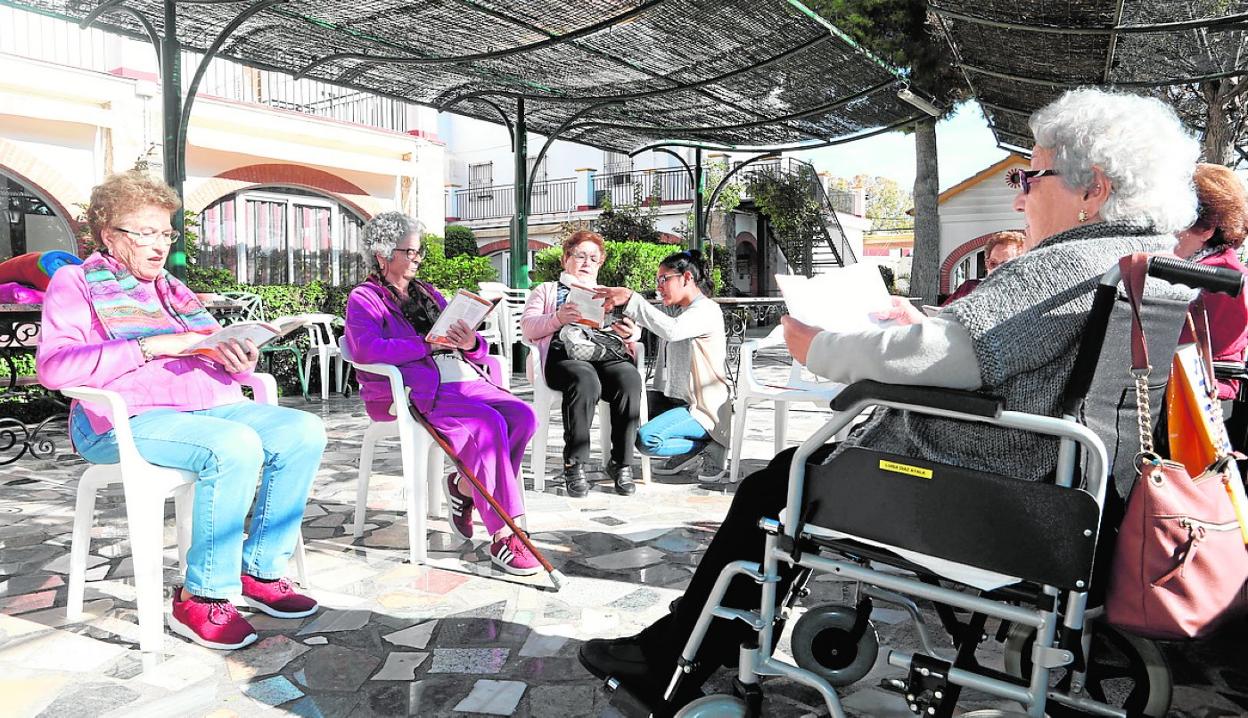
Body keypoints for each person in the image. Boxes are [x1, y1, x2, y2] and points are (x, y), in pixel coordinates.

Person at [578, 88, 1201, 714]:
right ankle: (704, 636)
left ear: (1091, 187)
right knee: (796, 475)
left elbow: (950, 358)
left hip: (979, 489)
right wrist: (925, 318)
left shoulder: (1064, 261)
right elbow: (1003, 342)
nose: (1017, 194)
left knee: (777, 485)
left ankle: (668, 659)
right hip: (1052, 489)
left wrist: (816, 345)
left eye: (1029, 176)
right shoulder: (1138, 261)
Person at [37, 171, 326, 651]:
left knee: (303, 430)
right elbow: (55, 368)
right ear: (110, 235)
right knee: (234, 446)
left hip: (209, 407)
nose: (159, 246)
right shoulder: (76, 282)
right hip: (123, 421)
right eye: (145, 233)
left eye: (166, 233)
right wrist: (152, 346)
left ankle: (261, 570)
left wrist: (237, 357)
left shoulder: (172, 289)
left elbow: (207, 345)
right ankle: (201, 597)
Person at [343, 212, 539, 575]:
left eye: (419, 253)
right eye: (411, 252)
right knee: (487, 425)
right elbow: (366, 349)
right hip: (417, 390)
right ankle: (506, 534)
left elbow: (470, 344)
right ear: (383, 255)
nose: (418, 259)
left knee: (522, 416)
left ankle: (465, 487)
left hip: (464, 378)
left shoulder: (428, 293)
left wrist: (471, 341)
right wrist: (424, 344)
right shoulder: (364, 298)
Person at [520, 231, 643, 497]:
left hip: (603, 353)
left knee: (630, 379)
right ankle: (575, 463)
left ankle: (621, 463)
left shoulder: (609, 294)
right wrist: (557, 318)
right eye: (580, 256)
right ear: (566, 260)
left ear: (600, 264)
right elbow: (528, 329)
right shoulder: (547, 291)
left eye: (593, 258)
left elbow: (635, 332)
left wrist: (629, 332)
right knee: (585, 379)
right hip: (563, 357)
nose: (587, 263)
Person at [594, 249, 732, 482]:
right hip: (673, 399)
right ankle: (618, 464)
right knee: (622, 403)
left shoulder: (706, 310)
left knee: (648, 440)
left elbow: (672, 330)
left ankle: (709, 444)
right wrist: (631, 329)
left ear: (687, 278)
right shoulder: (675, 309)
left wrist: (630, 296)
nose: (659, 287)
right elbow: (649, 321)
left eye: (664, 280)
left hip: (703, 408)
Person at [1174, 163, 1248, 403]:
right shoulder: (1214, 265)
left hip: (1202, 399)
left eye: (1177, 219)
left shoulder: (1220, 277)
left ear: (1206, 228)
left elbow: (1176, 343)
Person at [941, 229, 1025, 305]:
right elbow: (939, 316)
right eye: (993, 263)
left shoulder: (1026, 299)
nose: (997, 269)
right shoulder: (969, 288)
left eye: (1005, 265)